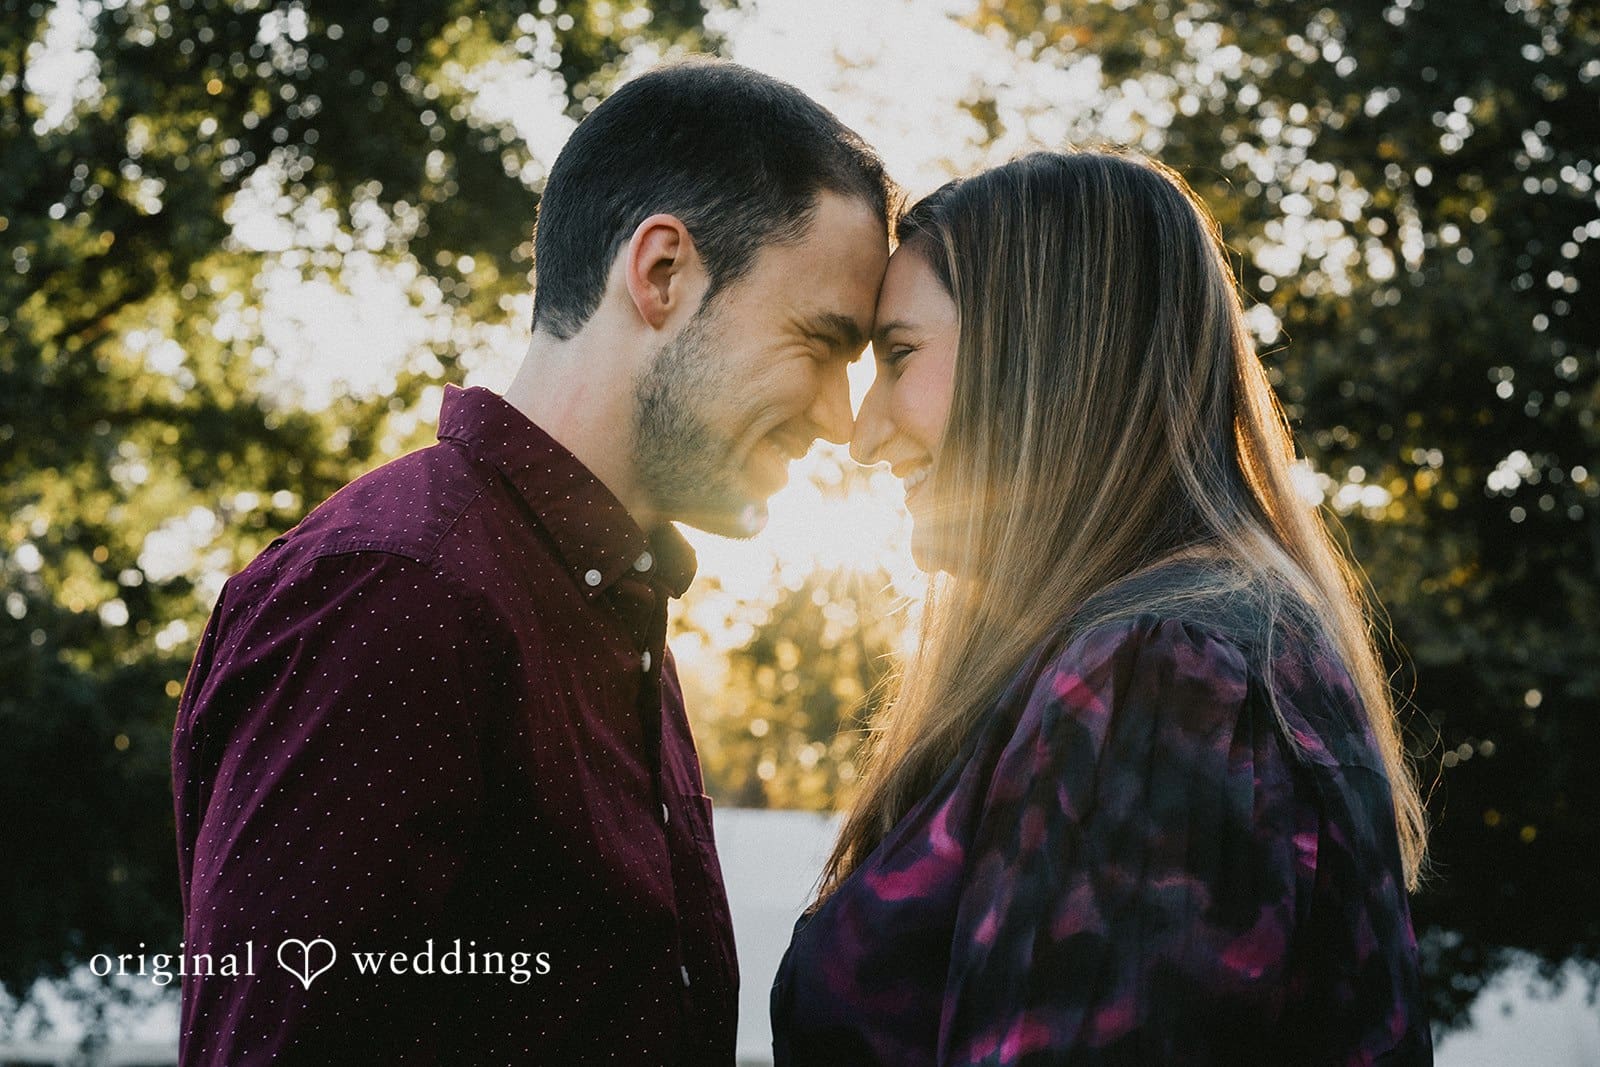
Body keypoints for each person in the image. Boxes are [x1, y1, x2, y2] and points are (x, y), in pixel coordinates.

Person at [171, 59, 892, 1066]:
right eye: (821, 343)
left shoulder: (605, 604)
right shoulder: (399, 594)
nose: (839, 419)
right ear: (662, 274)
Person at [771, 151, 1432, 1064]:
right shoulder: (1214, 638)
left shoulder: (1162, 672)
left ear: (1049, 347)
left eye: (900, 355)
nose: (863, 432)